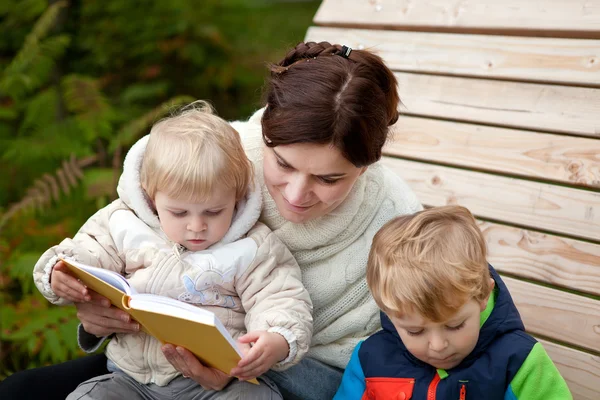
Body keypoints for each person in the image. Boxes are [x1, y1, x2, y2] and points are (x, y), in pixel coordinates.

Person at [0, 41, 422, 400]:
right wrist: (98, 315)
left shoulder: (396, 226)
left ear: (367, 166)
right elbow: (123, 239)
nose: (296, 194)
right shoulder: (214, 156)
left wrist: (242, 370)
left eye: (329, 179)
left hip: (279, 385)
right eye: (282, 164)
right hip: (150, 364)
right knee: (20, 392)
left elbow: (372, 371)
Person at [31, 102, 313, 400]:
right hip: (131, 379)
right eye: (179, 213)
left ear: (238, 196)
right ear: (151, 198)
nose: (196, 227)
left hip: (219, 383)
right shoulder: (123, 223)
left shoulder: (253, 247)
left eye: (214, 212)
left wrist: (277, 339)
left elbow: (281, 298)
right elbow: (84, 253)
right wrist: (59, 273)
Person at [334, 205, 572, 400]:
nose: (438, 346)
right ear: (388, 311)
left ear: (483, 295)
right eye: (415, 331)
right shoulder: (370, 360)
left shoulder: (518, 361)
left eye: (455, 325)